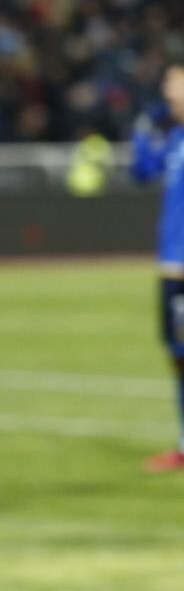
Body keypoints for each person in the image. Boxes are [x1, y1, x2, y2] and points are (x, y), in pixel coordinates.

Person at [132, 61, 184, 472]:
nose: (168, 93)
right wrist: (141, 130)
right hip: (171, 266)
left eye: (174, 84)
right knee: (178, 356)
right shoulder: (173, 139)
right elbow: (140, 172)